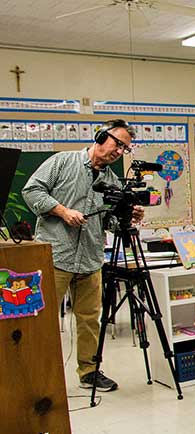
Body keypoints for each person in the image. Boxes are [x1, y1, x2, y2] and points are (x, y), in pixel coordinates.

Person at [22, 119, 143, 392]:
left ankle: (89, 371)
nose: (118, 151)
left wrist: (126, 216)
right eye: (117, 143)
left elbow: (108, 223)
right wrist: (62, 211)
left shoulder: (112, 181)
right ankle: (38, 373)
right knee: (42, 318)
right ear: (100, 136)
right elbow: (31, 191)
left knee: (90, 319)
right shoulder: (63, 162)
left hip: (90, 259)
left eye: (124, 148)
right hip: (55, 256)